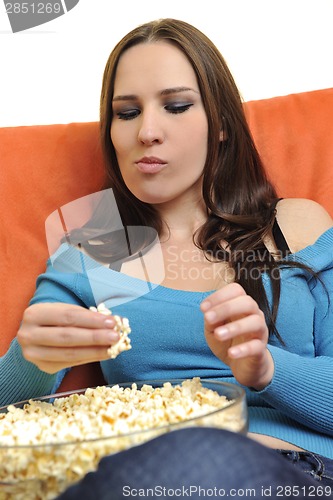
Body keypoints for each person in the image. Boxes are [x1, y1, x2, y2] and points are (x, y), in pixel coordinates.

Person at [1, 17, 332, 495]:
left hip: (294, 470)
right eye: (126, 113)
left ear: (220, 124)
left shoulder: (294, 225)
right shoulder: (98, 247)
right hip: (136, 478)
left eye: (176, 106)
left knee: (194, 454)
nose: (147, 132)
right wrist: (31, 360)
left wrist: (265, 368)